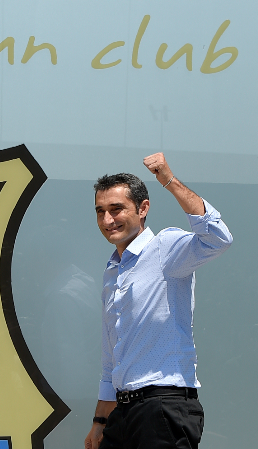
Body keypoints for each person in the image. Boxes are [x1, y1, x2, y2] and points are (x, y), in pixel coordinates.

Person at [84, 153, 233, 449]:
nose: (107, 220)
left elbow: (218, 238)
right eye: (100, 211)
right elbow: (112, 356)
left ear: (142, 209)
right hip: (123, 413)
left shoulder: (164, 247)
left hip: (164, 406)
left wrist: (168, 180)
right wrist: (100, 421)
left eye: (116, 209)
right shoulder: (113, 270)